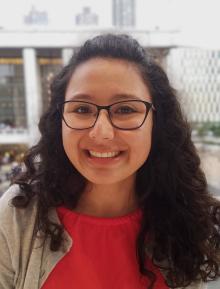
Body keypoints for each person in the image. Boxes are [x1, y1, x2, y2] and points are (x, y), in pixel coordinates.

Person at [0, 34, 219, 289]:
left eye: (125, 109)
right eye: (82, 109)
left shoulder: (184, 216)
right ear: (59, 119)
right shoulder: (20, 212)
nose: (101, 132)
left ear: (156, 123)